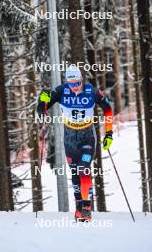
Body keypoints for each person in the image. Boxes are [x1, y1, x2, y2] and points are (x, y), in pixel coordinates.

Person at [37, 64, 113, 221]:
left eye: (77, 84)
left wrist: (109, 133)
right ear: (67, 83)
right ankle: (79, 205)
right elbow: (43, 110)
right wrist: (42, 101)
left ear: (81, 80)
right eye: (72, 85)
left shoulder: (91, 91)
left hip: (87, 136)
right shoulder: (61, 91)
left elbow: (108, 109)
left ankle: (86, 207)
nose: (75, 88)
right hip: (70, 137)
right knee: (74, 173)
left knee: (83, 169)